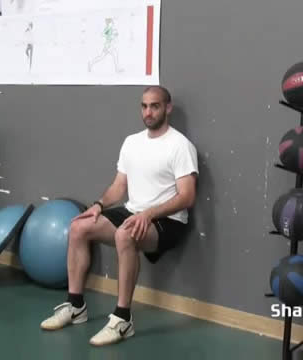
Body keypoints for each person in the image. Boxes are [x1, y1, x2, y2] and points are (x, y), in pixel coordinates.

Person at [40, 86, 198, 347]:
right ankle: (76, 306)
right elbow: (119, 186)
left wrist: (149, 214)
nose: (148, 112)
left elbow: (187, 197)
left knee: (124, 235)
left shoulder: (180, 146)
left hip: (168, 221)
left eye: (155, 106)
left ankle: (122, 319)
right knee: (79, 227)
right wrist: (99, 205)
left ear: (167, 108)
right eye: (144, 106)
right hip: (134, 211)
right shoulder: (132, 142)